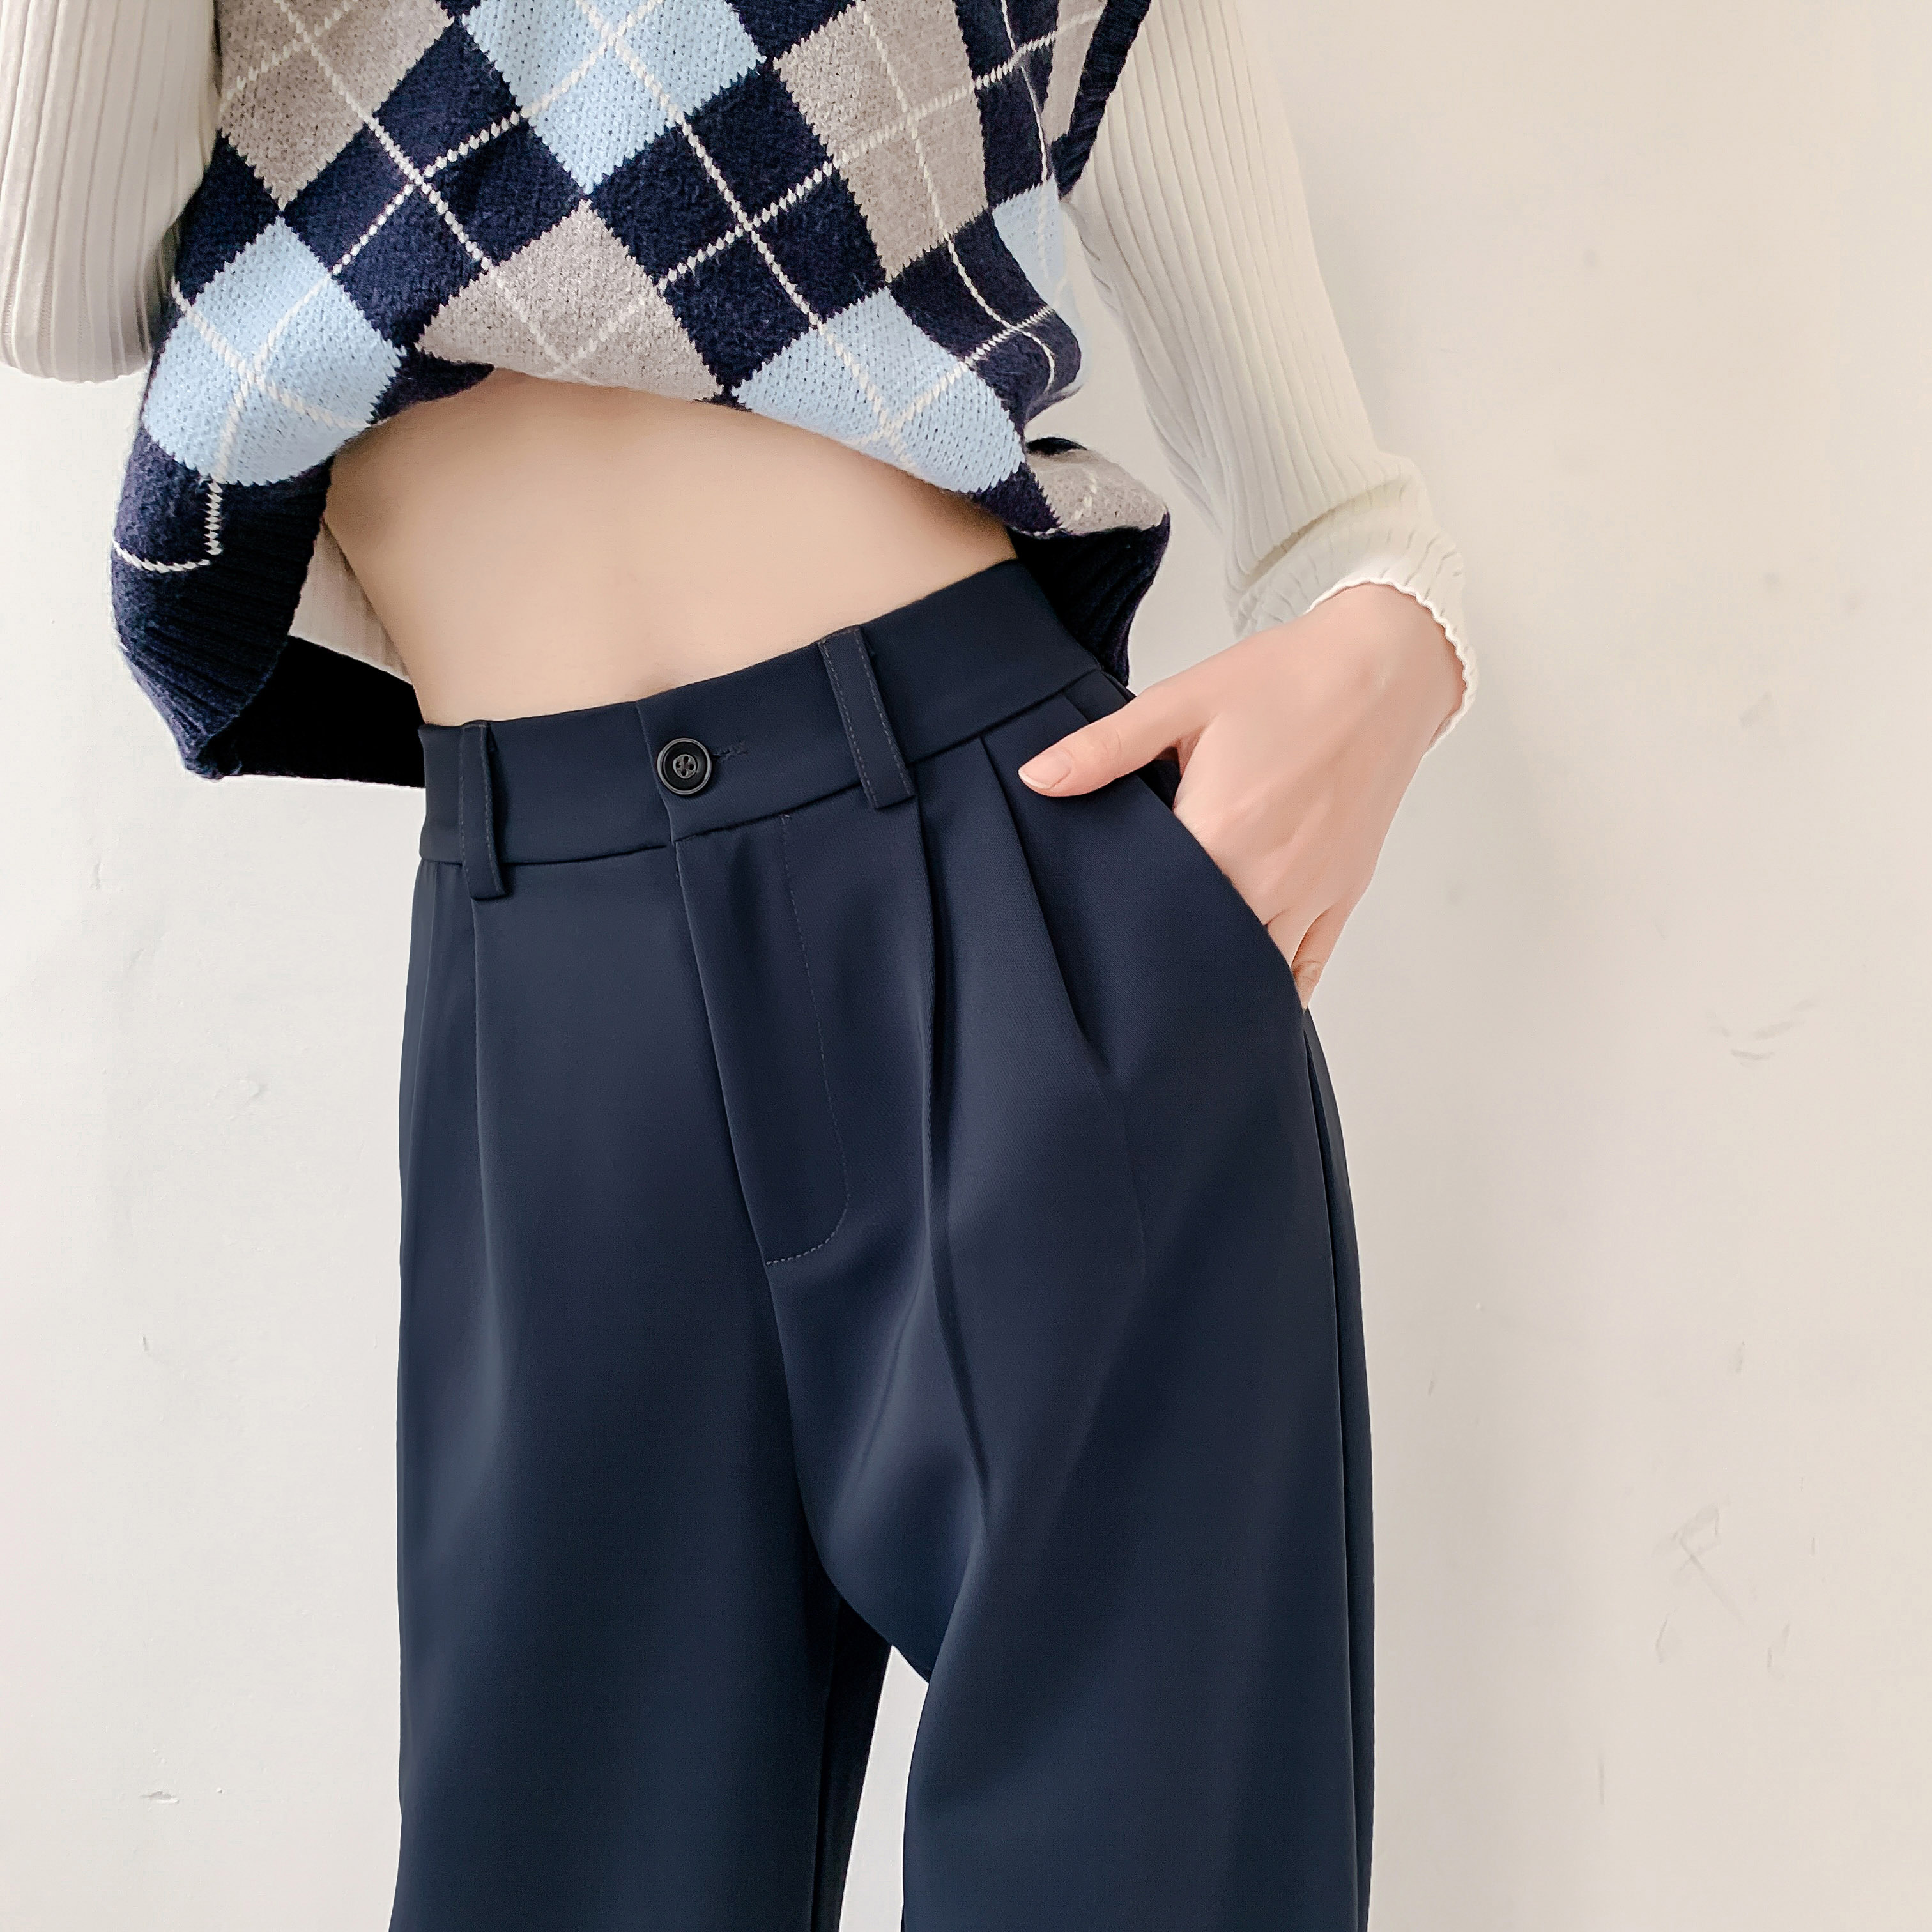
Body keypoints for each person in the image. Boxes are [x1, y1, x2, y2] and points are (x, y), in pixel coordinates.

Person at [0, 0, 1473, 1924]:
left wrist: (1387, 653)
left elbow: (1344, 512)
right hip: (550, 971)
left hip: (1015, 907)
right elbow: (49, 278)